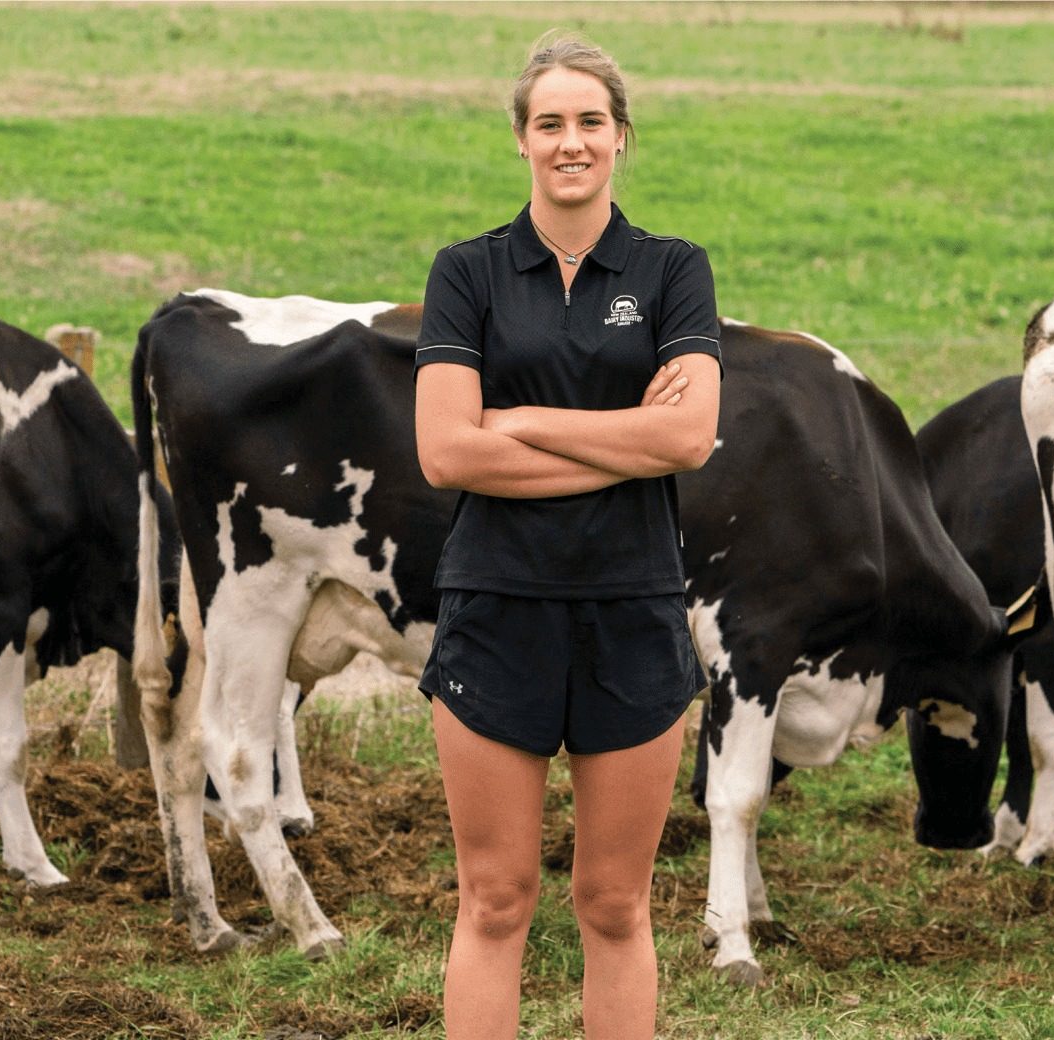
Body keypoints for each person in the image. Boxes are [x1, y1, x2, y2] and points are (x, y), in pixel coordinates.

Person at [411, 30, 721, 1040]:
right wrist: (624, 442)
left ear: (621, 137)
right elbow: (447, 454)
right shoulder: (469, 272)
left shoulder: (674, 269)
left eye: (590, 121)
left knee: (615, 903)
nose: (571, 141)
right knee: (495, 898)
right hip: (497, 605)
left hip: (632, 606)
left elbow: (688, 434)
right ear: (521, 140)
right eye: (550, 123)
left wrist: (525, 421)